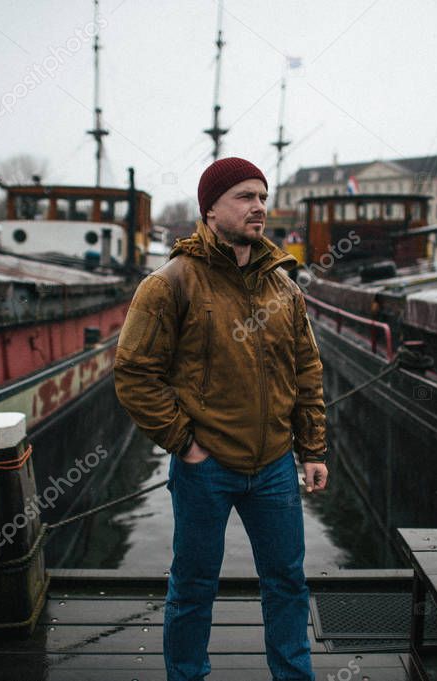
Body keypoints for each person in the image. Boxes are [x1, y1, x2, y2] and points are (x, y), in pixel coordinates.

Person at [114, 156, 328, 681]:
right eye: (244, 197)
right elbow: (134, 374)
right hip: (204, 466)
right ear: (210, 209)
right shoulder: (171, 284)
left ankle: (293, 675)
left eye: (262, 195)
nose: (259, 207)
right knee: (193, 586)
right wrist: (185, 443)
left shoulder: (283, 286)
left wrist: (313, 448)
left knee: (287, 582)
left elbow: (306, 370)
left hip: (276, 464)